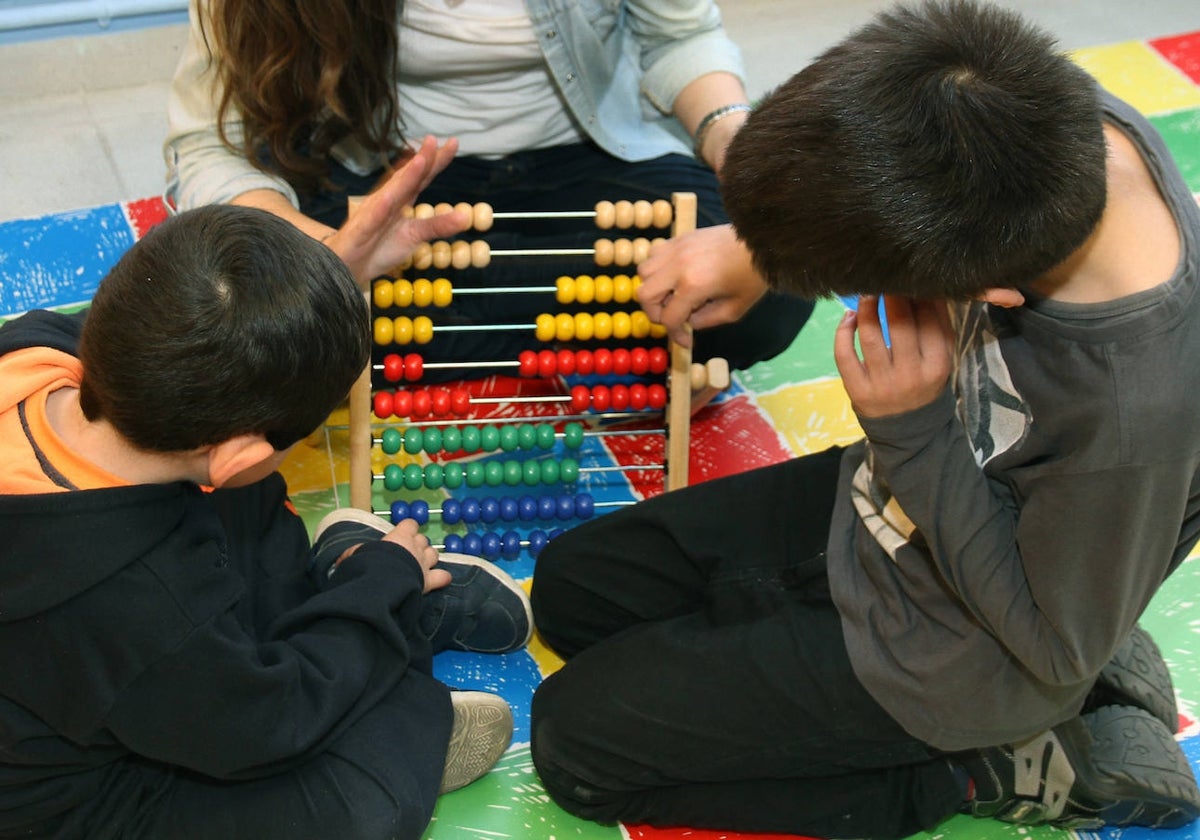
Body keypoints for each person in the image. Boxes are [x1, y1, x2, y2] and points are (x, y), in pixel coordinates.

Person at [526, 0, 1200, 836]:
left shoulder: (1134, 412)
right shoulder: (1050, 125)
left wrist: (912, 427)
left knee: (571, 746)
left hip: (975, 651)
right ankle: (1103, 624)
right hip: (893, 509)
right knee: (571, 591)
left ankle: (978, 769)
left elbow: (1048, 639)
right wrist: (756, 248)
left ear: (981, 291)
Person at [0, 198, 535, 839]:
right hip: (74, 790)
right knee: (363, 811)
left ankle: (354, 605)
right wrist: (381, 589)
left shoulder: (39, 350)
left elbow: (207, 338)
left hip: (131, 657)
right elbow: (262, 728)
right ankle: (381, 637)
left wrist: (308, 295)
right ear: (237, 454)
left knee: (239, 505)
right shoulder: (142, 609)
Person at [162, 0, 813, 378]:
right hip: (389, 180)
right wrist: (326, 254)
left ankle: (498, 335)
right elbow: (207, 143)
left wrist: (747, 168)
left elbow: (682, 38)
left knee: (772, 286)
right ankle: (603, 343)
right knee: (253, 316)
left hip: (593, 161)